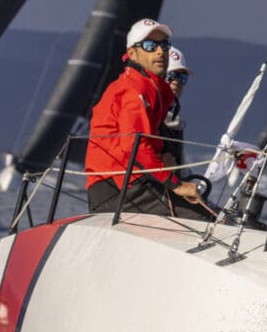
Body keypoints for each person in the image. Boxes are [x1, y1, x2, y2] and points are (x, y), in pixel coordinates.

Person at [84, 19, 211, 220]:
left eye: (164, 45)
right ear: (132, 54)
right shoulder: (134, 90)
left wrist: (163, 158)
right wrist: (176, 185)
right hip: (119, 188)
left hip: (133, 183)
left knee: (209, 214)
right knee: (205, 220)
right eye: (150, 46)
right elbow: (134, 146)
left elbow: (144, 146)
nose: (160, 51)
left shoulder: (154, 91)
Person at [159, 45, 191, 171]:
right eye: (170, 75)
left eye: (182, 78)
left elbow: (181, 169)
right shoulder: (143, 113)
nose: (176, 82)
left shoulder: (176, 124)